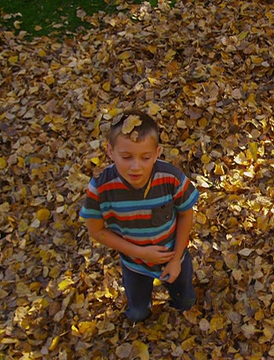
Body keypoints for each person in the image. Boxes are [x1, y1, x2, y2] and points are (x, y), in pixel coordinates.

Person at [80, 110, 200, 322]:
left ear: (157, 152)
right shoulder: (100, 187)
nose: (136, 166)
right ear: (110, 151)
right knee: (138, 312)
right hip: (134, 263)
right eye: (126, 157)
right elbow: (96, 231)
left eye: (145, 157)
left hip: (174, 258)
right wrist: (140, 253)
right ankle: (141, 316)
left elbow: (185, 214)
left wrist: (176, 259)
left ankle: (181, 308)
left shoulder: (170, 178)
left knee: (185, 299)